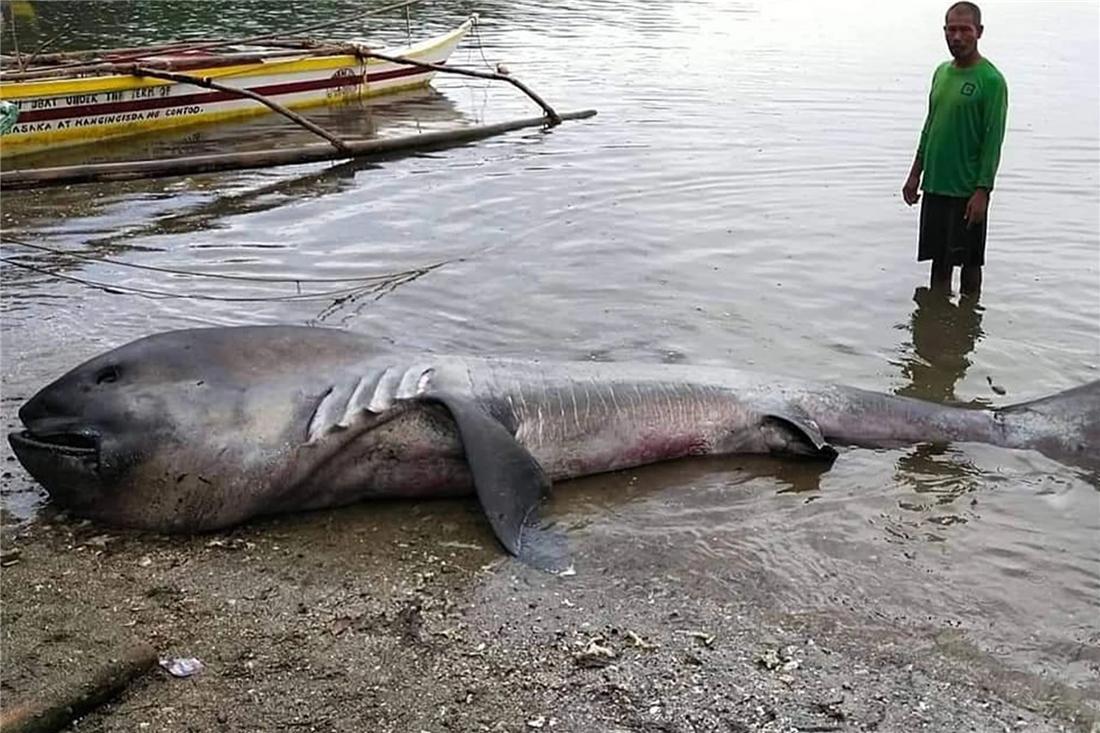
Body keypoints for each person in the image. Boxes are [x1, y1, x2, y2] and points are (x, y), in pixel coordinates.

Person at [902, 2, 1008, 297]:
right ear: (944, 31)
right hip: (936, 184)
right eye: (952, 29)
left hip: (966, 190)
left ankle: (968, 324)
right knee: (939, 262)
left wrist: (983, 190)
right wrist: (915, 174)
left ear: (979, 32)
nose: (957, 37)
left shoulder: (991, 81)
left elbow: (993, 141)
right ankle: (937, 327)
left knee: (970, 264)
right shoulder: (941, 73)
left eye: (965, 30)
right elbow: (930, 125)